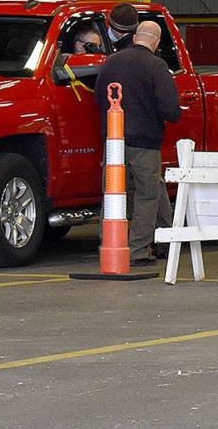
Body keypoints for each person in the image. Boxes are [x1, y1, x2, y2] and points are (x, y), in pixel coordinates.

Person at [95, 20, 182, 266]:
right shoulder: (157, 66)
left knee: (113, 193)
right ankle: (137, 250)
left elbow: (98, 97)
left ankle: (109, 245)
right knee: (147, 194)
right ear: (155, 42)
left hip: (113, 141)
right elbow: (170, 109)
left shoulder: (110, 62)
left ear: (135, 37)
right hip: (145, 142)